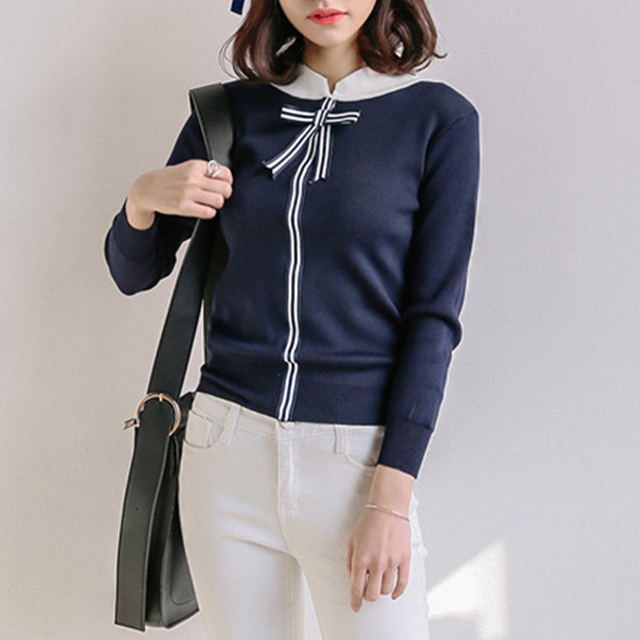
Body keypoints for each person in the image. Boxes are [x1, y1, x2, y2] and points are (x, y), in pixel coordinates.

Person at [105, 0, 480, 637]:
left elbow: (433, 321)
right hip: (224, 452)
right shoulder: (226, 114)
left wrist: (391, 499)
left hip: (357, 467)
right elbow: (133, 272)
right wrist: (141, 199)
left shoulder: (438, 119)